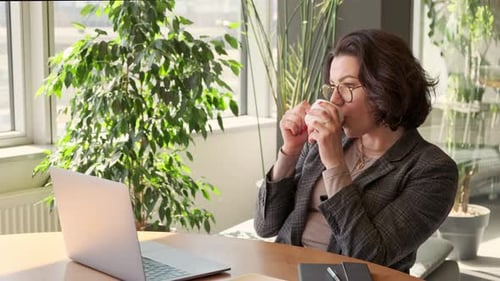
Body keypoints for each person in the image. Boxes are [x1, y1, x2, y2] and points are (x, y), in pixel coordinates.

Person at [253, 29, 458, 273]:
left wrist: (335, 166)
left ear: (387, 88)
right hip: (283, 270)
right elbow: (265, 226)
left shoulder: (432, 170)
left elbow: (369, 256)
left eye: (348, 86)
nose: (335, 100)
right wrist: (290, 151)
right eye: (333, 87)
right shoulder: (328, 141)